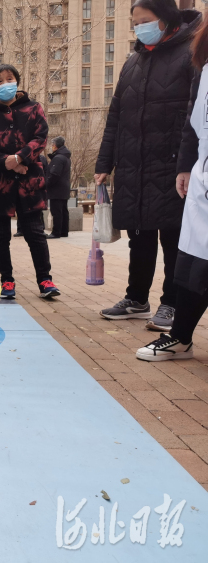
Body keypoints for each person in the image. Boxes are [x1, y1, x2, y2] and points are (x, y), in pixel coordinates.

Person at [95, 0, 201, 331]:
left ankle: (171, 302)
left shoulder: (190, 56)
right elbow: (115, 117)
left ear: (167, 19)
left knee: (173, 237)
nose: (140, 28)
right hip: (133, 164)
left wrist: (187, 162)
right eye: (136, 23)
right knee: (138, 235)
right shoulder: (132, 63)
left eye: (146, 21)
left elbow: (196, 116)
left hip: (171, 165)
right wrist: (104, 162)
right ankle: (137, 298)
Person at [136, 11, 208, 361]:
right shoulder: (204, 68)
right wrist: (185, 167)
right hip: (203, 179)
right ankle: (180, 337)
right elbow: (194, 123)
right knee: (193, 262)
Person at [0, 64, 60, 300]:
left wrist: (21, 157)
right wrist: (7, 162)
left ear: (17, 81)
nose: (5, 84)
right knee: (1, 235)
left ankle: (45, 280)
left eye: (9, 79)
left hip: (29, 181)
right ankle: (7, 281)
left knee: (35, 232)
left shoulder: (34, 109)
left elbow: (40, 137)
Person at [46, 137, 72, 239]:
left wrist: (47, 183)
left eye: (52, 145)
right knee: (63, 211)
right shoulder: (65, 157)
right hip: (64, 188)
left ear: (55, 146)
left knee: (56, 211)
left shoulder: (58, 158)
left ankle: (56, 232)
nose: (51, 147)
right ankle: (64, 231)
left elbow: (54, 174)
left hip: (56, 189)